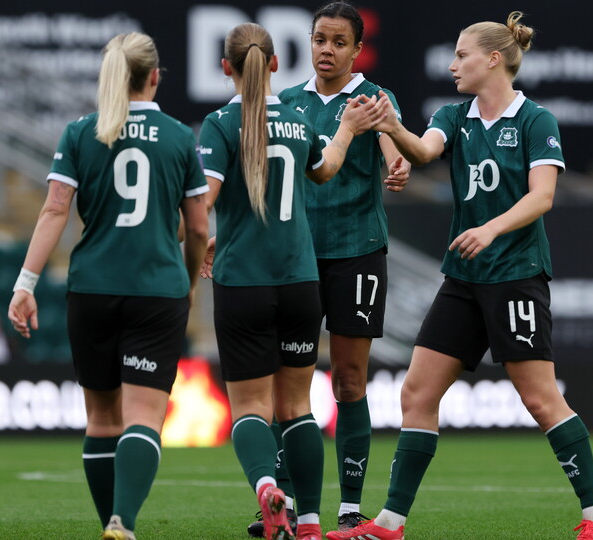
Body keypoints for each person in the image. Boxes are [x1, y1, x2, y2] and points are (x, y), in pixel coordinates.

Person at [328, 12, 593, 540]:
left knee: (540, 399)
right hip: (463, 280)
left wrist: (489, 229)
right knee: (416, 393)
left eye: (461, 55)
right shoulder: (454, 115)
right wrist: (391, 125)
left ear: (492, 59)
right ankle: (390, 523)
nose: (452, 64)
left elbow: (543, 196)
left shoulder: (536, 120)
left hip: (516, 275)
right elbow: (424, 152)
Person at [7, 32, 208, 540]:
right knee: (144, 418)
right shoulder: (181, 137)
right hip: (156, 290)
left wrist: (25, 284)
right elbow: (200, 228)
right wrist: (187, 284)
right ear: (155, 76)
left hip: (92, 289)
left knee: (100, 419)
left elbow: (54, 209)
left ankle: (109, 524)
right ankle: (124, 520)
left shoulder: (79, 133)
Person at [197, 22, 386, 540]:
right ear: (276, 65)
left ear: (227, 68)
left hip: (243, 284)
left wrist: (200, 245)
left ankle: (265, 491)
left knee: (252, 410)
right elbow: (324, 172)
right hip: (302, 283)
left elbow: (204, 202)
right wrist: (346, 130)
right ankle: (309, 523)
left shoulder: (218, 124)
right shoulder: (300, 121)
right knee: (298, 407)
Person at [243, 3, 411, 537]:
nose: (326, 50)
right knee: (284, 385)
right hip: (293, 258)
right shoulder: (288, 102)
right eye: (320, 39)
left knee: (349, 380)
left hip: (357, 251)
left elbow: (390, 140)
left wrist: (395, 160)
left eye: (339, 42)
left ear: (356, 50)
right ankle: (281, 502)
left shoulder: (374, 100)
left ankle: (350, 507)